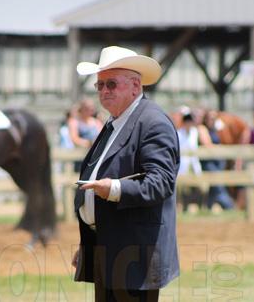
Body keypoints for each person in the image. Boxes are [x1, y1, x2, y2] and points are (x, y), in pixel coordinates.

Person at [72, 46, 180, 302]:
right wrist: (89, 243)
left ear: (135, 85)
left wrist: (114, 189)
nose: (103, 91)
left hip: (136, 254)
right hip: (108, 246)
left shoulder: (153, 122)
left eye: (111, 84)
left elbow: (161, 182)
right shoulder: (113, 122)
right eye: (99, 85)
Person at [198, 110, 234, 210]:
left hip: (217, 162)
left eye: (214, 118)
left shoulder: (215, 129)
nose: (213, 120)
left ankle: (208, 207)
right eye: (211, 118)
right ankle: (230, 207)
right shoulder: (202, 129)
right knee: (219, 186)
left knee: (214, 188)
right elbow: (207, 145)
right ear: (206, 119)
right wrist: (220, 149)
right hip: (208, 163)